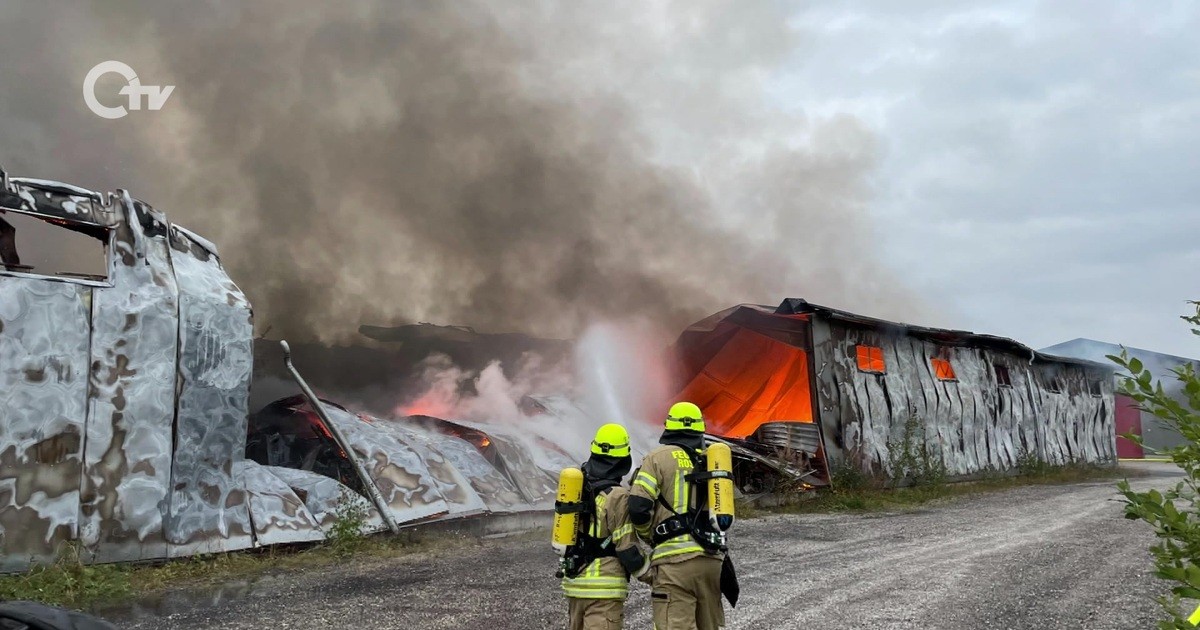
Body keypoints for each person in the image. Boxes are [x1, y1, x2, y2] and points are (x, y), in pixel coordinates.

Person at [628, 402, 725, 630]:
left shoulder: (657, 458)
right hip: (712, 560)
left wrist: (650, 536)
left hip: (675, 563)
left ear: (669, 428)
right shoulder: (712, 461)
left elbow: (638, 506)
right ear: (700, 431)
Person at [561, 423, 648, 630]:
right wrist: (655, 576)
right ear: (622, 460)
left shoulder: (577, 488)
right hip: (603, 591)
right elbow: (628, 549)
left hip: (575, 586)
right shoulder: (617, 496)